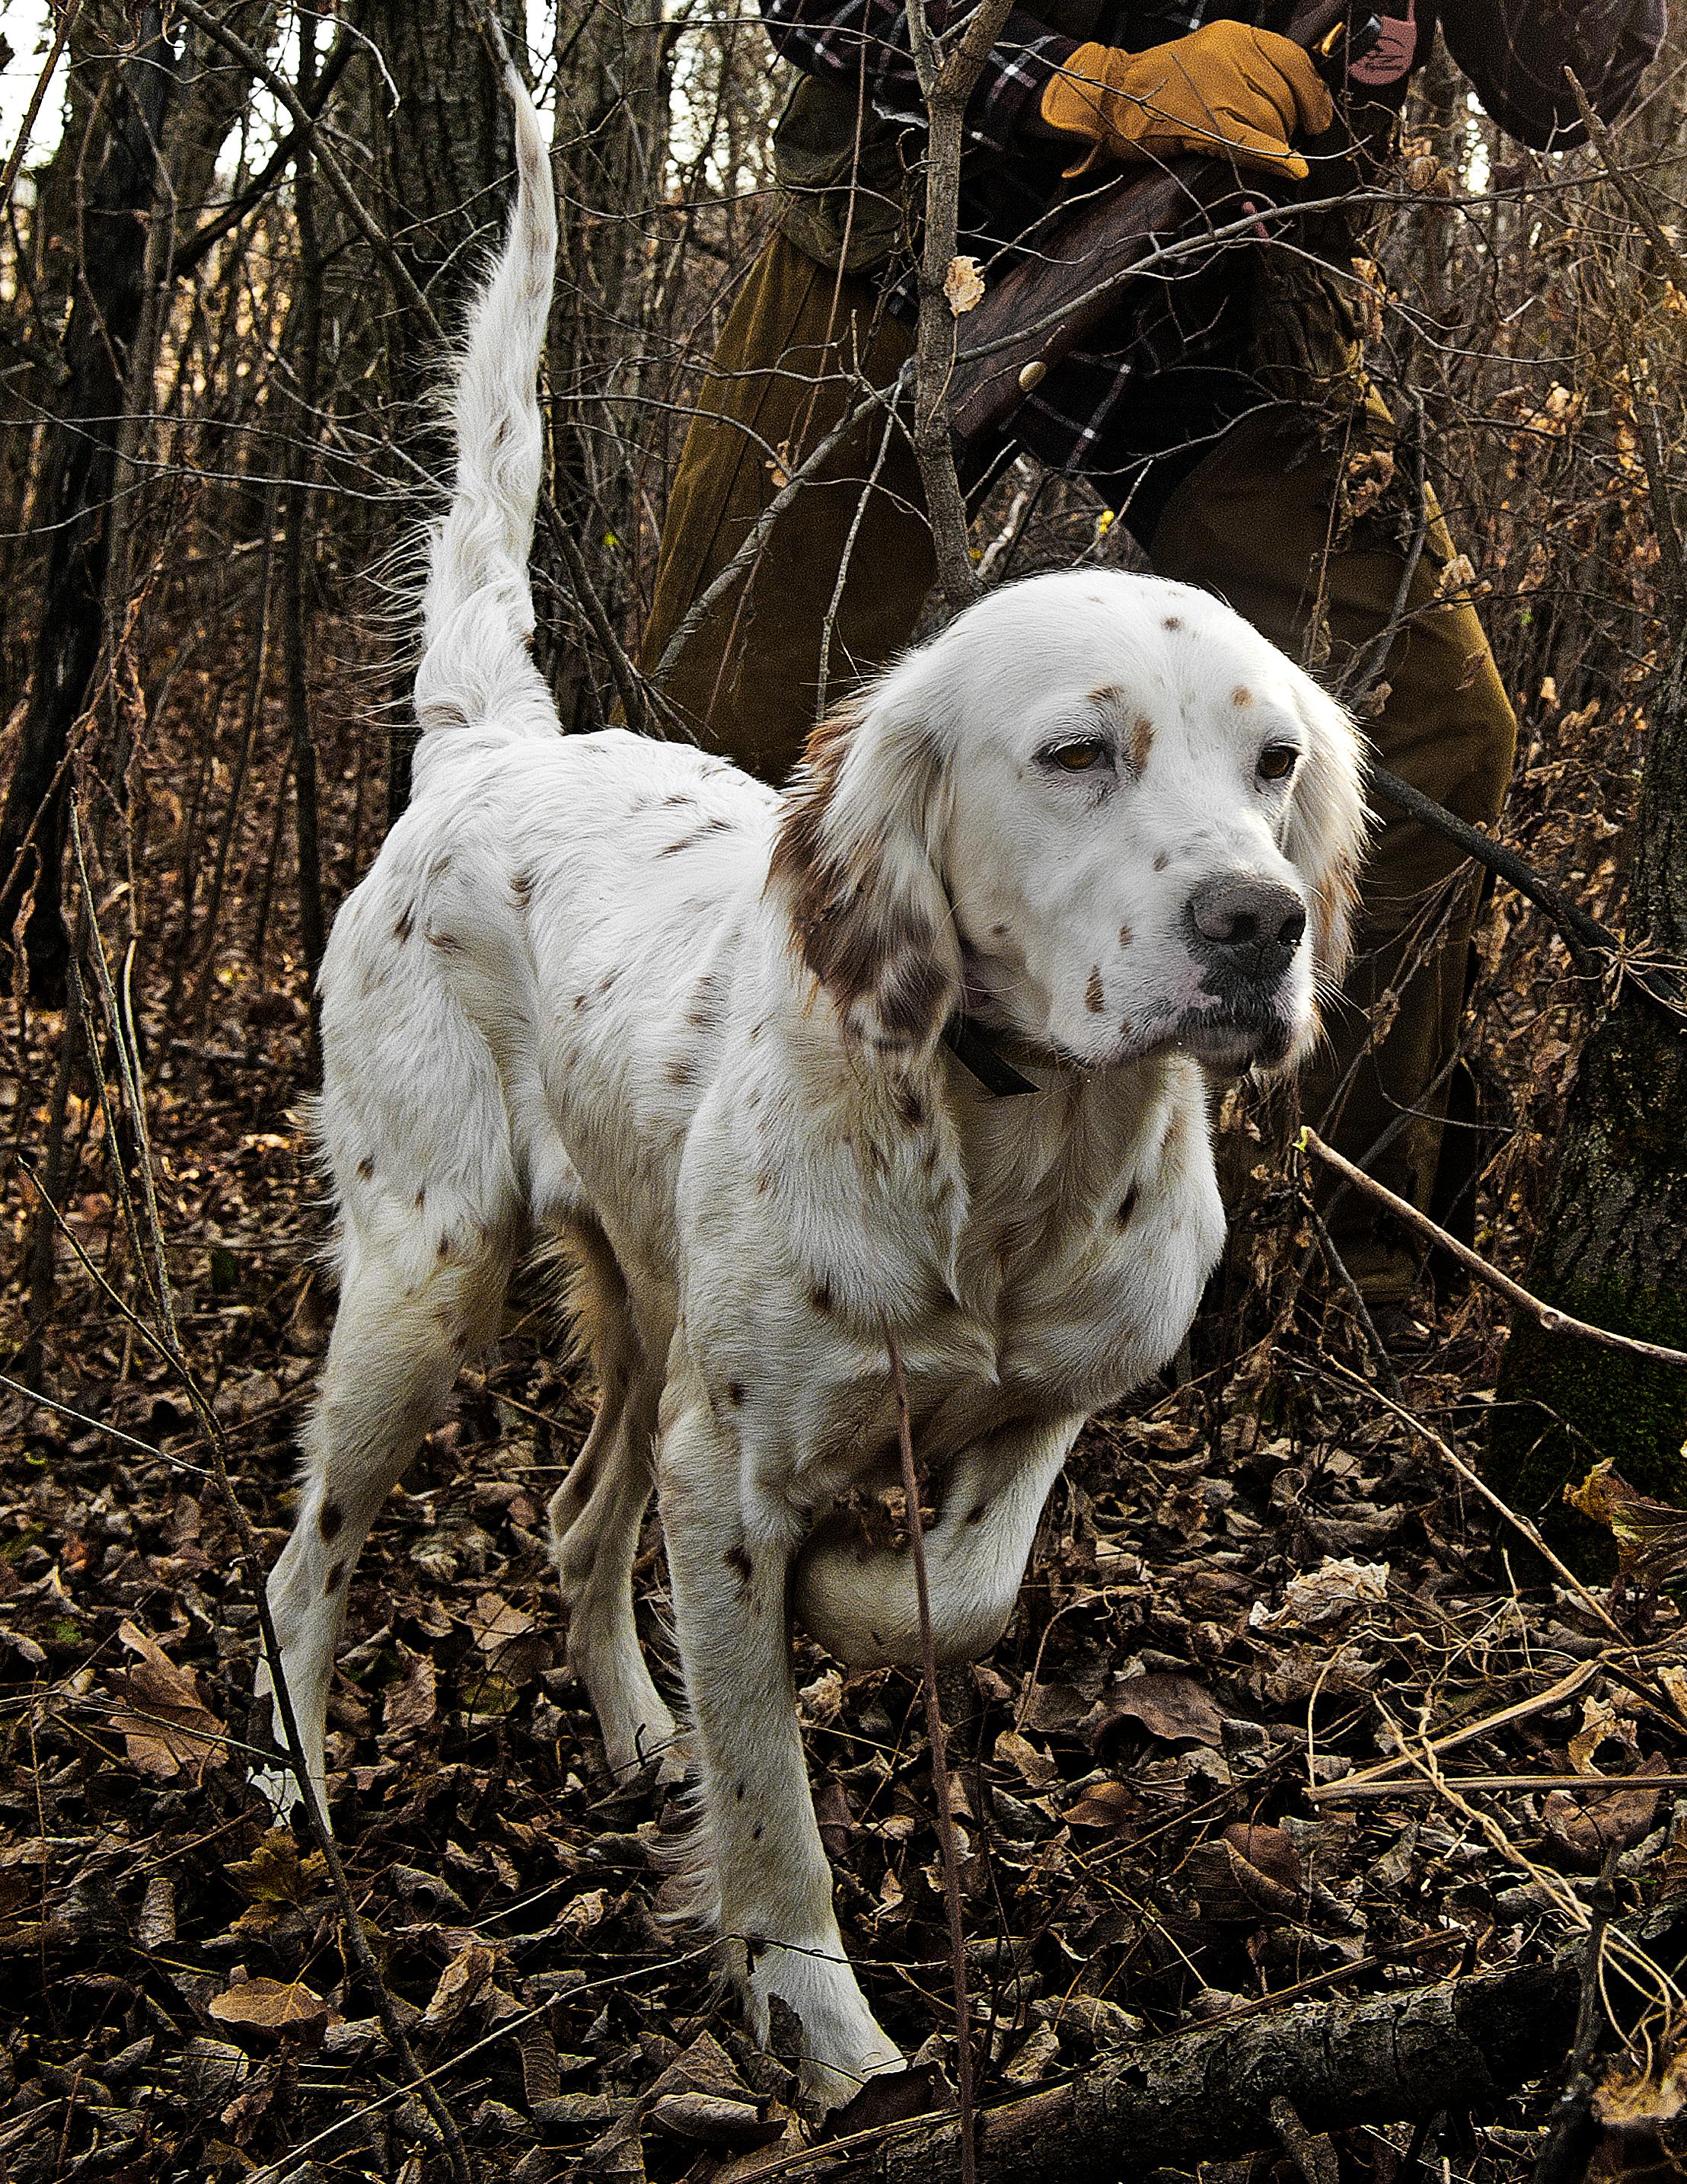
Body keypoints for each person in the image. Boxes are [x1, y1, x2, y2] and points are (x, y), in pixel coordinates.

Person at [639, 0, 1664, 1308]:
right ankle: (726, 1223)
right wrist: (1095, 86)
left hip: (1236, 309)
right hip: (910, 218)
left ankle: (1336, 1276)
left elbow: (1570, 88)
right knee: (731, 711)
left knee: (1437, 728)